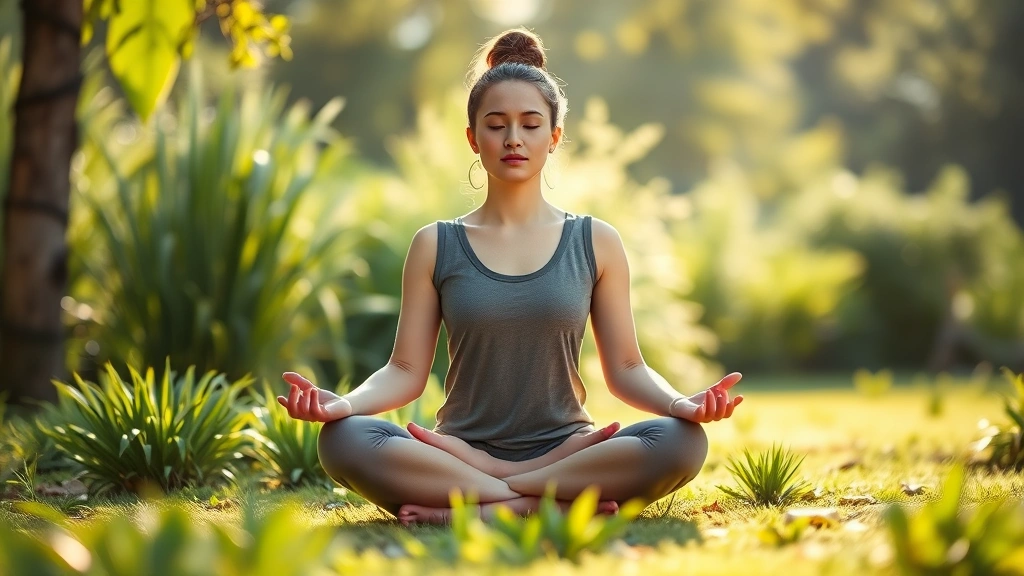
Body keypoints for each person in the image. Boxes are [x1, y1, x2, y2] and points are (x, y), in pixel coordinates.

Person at [277, 28, 744, 526]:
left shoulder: (596, 241)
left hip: (567, 453)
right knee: (344, 439)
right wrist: (344, 405)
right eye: (496, 125)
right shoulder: (435, 244)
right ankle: (544, 505)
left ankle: (483, 505)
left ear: (555, 136)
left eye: (530, 124)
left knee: (681, 441)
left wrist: (680, 404)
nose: (514, 138)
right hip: (456, 452)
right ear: (473, 139)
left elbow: (627, 368)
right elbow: (405, 372)